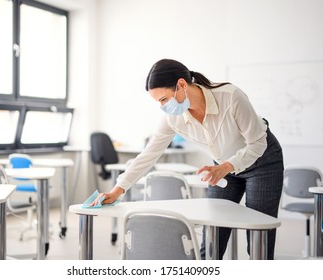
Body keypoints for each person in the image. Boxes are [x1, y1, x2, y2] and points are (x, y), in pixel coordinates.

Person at [91, 58, 284, 260]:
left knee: (259, 239)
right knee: (211, 241)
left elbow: (257, 144)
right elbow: (149, 154)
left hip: (263, 162)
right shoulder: (172, 118)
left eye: (164, 99)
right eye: (158, 102)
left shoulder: (231, 97)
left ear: (181, 84)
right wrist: (117, 190)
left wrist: (226, 166)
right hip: (223, 166)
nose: (162, 106)